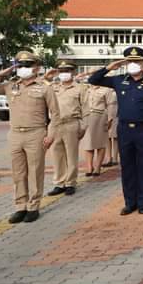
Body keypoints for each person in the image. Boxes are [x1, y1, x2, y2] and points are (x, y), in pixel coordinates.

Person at [89, 47, 143, 215]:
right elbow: (93, 80)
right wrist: (110, 67)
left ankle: (142, 202)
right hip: (124, 129)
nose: (133, 64)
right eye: (130, 61)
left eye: (137, 61)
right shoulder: (118, 80)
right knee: (127, 167)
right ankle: (129, 202)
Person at [0, 51, 60, 223]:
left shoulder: (45, 87)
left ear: (36, 68)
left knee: (35, 172)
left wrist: (51, 134)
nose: (24, 68)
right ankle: (20, 206)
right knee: (18, 173)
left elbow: (55, 113)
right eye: (21, 65)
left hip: (36, 134)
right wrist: (5, 72)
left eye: (28, 65)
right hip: (15, 134)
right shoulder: (11, 85)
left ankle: (33, 206)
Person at [45, 60, 86, 196]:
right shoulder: (52, 87)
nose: (64, 74)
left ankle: (70, 183)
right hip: (55, 124)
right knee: (57, 155)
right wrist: (46, 76)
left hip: (71, 123)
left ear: (73, 72)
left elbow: (85, 108)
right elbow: (36, 85)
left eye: (67, 71)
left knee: (71, 155)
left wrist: (83, 126)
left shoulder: (80, 88)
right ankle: (59, 183)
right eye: (61, 71)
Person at [81, 79, 111, 176]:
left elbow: (110, 105)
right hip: (86, 117)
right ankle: (89, 167)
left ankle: (98, 166)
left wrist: (110, 119)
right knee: (88, 143)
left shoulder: (106, 90)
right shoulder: (85, 89)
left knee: (100, 142)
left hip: (100, 116)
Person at [105, 87, 119, 167]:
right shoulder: (104, 89)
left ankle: (115, 158)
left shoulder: (117, 88)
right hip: (106, 113)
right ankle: (108, 158)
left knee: (116, 136)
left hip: (116, 113)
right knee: (107, 137)